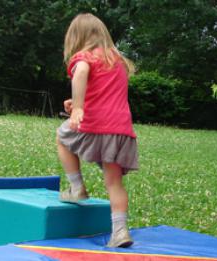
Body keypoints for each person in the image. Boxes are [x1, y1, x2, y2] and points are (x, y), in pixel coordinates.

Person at [56, 13, 138, 248]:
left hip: (96, 125)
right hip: (120, 129)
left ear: (76, 37)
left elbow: (81, 72)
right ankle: (120, 231)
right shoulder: (117, 60)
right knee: (114, 183)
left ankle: (77, 187)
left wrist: (78, 108)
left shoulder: (85, 57)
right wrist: (79, 102)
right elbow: (105, 93)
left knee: (62, 138)